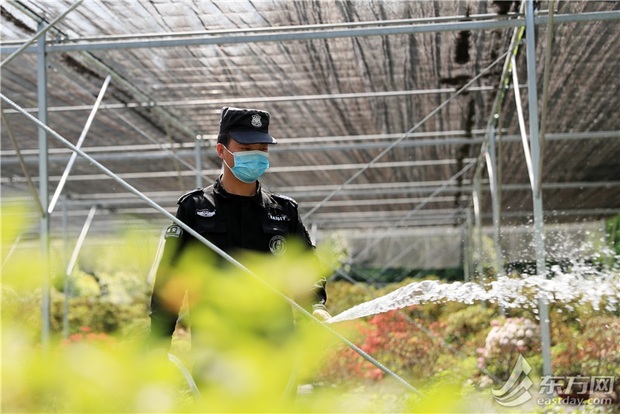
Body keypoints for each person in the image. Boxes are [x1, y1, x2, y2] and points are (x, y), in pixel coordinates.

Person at [148, 106, 331, 353]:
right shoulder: (195, 208)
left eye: (262, 149)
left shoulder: (284, 211)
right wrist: (158, 344)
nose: (255, 156)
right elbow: (171, 281)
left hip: (276, 348)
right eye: (245, 149)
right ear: (221, 150)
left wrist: (316, 306)